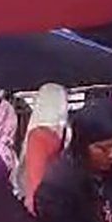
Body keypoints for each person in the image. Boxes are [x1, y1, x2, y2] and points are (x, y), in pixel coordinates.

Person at [16, 82, 68, 211]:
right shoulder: (65, 134)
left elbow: (35, 181)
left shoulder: (38, 136)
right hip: (60, 203)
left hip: (43, 207)